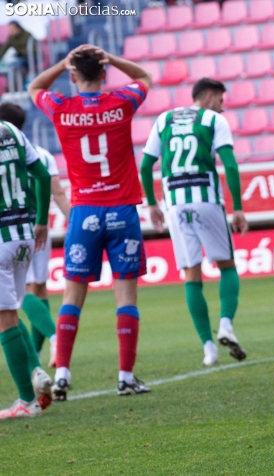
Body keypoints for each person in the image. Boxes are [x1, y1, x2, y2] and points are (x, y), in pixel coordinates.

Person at [28, 44, 152, 401]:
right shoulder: (121, 102)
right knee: (125, 293)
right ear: (104, 74)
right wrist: (112, 59)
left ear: (71, 76)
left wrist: (61, 64)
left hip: (83, 212)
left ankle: (63, 372)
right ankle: (125, 377)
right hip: (121, 208)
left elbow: (35, 88)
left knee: (72, 295)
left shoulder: (61, 109)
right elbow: (144, 77)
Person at [140, 77, 248, 366]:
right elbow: (231, 164)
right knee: (226, 265)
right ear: (210, 97)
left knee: (191, 274)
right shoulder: (213, 120)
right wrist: (238, 208)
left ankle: (208, 347)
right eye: (222, 101)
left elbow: (146, 164)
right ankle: (225, 325)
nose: (223, 108)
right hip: (207, 199)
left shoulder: (164, 119)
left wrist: (152, 203)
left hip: (175, 203)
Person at [0, 102, 71, 369]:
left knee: (21, 298)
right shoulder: (41, 153)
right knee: (38, 289)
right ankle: (38, 358)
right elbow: (58, 192)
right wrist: (70, 222)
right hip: (38, 229)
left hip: (9, 230)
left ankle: (54, 338)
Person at [0, 117, 54, 419]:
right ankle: (35, 370)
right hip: (23, 235)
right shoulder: (12, 132)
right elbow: (43, 176)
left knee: (5, 318)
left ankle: (26, 401)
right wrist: (42, 220)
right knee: (10, 311)